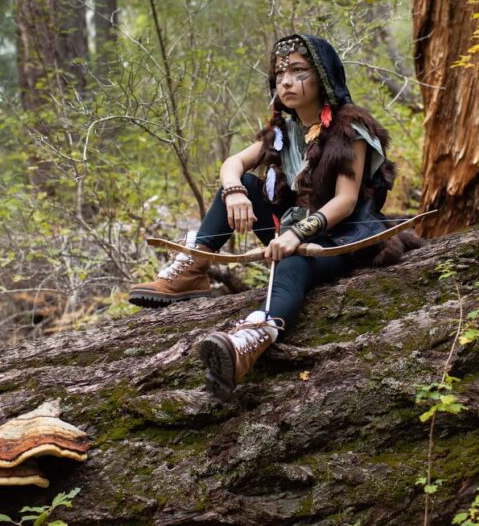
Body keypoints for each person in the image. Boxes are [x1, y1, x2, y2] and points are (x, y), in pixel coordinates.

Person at [129, 34, 419, 397]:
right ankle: (193, 269)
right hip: (292, 228)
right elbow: (233, 163)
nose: (286, 81)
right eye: (280, 74)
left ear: (323, 77)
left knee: (292, 263)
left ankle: (248, 341)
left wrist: (297, 235)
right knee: (245, 185)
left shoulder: (350, 128)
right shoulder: (284, 129)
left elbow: (345, 201)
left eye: (298, 71)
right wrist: (235, 191)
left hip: (340, 238)